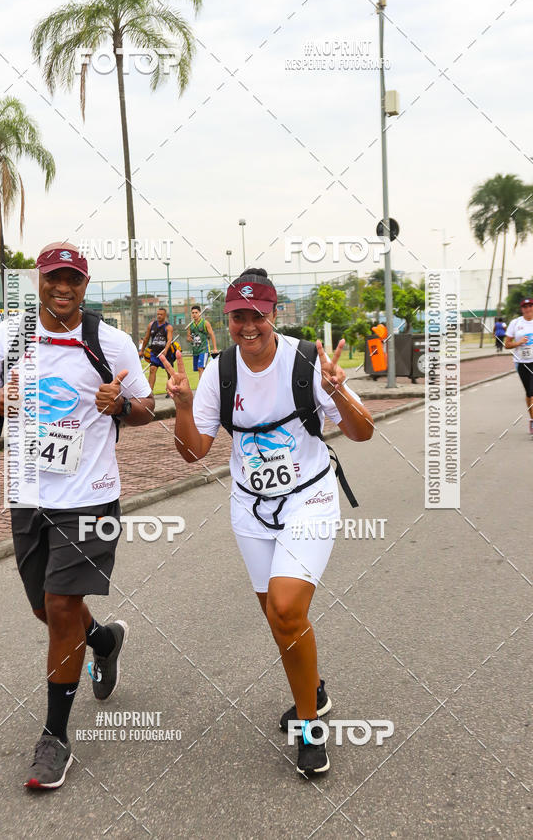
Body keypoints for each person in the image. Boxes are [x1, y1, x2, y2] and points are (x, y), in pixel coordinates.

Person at [160, 267, 373, 777]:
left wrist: (338, 391)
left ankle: (309, 727)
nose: (247, 325)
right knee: (281, 622)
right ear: (227, 318)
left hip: (309, 499)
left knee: (285, 606)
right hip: (251, 509)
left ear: (274, 314)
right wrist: (184, 406)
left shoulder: (305, 361)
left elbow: (362, 433)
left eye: (257, 314)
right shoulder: (220, 371)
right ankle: (314, 691)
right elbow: (194, 453)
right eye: (238, 316)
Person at [0, 241, 154, 790]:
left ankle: (54, 738)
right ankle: (103, 641)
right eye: (53, 278)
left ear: (85, 284)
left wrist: (118, 403)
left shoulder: (110, 341)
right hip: (27, 492)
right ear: (40, 281)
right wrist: (1, 400)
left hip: (90, 494)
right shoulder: (9, 335)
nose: (63, 288)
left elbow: (144, 407)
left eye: (73, 279)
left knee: (61, 602)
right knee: (46, 611)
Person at [505, 298, 533, 435]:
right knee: (529, 394)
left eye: (530, 306)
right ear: (522, 309)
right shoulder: (515, 323)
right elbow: (507, 344)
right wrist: (519, 343)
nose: (528, 309)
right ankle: (532, 419)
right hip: (522, 363)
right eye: (525, 306)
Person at [140, 307, 174, 391]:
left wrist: (165, 350)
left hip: (166, 353)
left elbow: (169, 339)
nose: (159, 316)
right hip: (154, 353)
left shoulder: (168, 327)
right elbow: (146, 338)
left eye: (161, 314)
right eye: (158, 314)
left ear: (165, 315)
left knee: (169, 371)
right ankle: (149, 391)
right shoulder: (151, 325)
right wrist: (142, 350)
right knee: (152, 369)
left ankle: (170, 389)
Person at [186, 305, 218, 379]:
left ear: (200, 313)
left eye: (196, 312)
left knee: (201, 368)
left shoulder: (205, 323)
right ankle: (208, 381)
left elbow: (212, 335)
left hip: (204, 349)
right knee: (199, 369)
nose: (194, 314)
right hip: (195, 350)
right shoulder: (190, 325)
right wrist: (189, 338)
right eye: (193, 313)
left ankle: (201, 388)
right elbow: (188, 338)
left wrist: (215, 348)